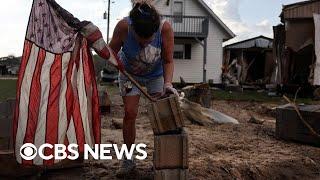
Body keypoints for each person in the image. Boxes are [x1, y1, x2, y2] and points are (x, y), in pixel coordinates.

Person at [108, 2, 178, 177]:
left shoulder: (165, 29)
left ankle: (162, 157)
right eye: (141, 40)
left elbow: (168, 60)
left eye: (149, 39)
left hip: (156, 76)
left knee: (161, 114)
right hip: (129, 74)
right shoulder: (124, 27)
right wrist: (113, 61)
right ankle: (129, 160)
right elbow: (111, 51)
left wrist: (167, 84)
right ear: (133, 30)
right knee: (130, 113)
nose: (145, 43)